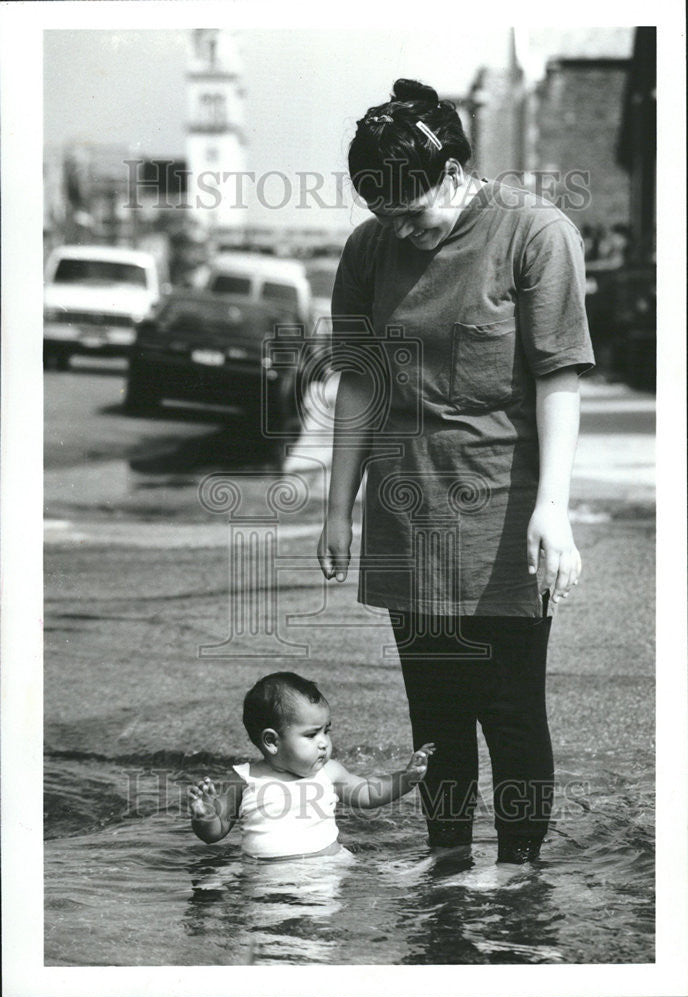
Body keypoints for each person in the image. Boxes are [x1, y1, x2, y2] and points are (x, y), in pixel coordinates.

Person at [317, 79, 595, 864]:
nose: (400, 231)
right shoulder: (371, 248)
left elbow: (559, 378)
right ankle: (445, 862)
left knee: (509, 711)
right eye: (385, 216)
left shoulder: (535, 234)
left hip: (504, 513)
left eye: (412, 212)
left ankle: (518, 873)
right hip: (407, 513)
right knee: (434, 715)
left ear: (454, 172)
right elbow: (361, 380)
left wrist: (554, 509)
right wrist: (338, 506)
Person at [187, 671, 434, 861]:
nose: (324, 743)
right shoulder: (245, 780)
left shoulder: (328, 772)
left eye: (326, 731)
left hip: (326, 871)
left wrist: (405, 778)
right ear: (272, 741)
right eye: (311, 735)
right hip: (264, 881)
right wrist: (205, 814)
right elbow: (214, 833)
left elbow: (370, 792)